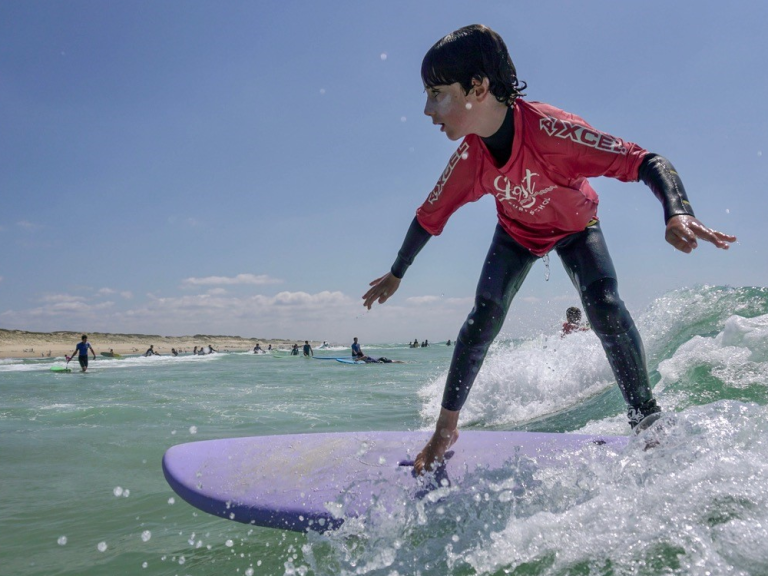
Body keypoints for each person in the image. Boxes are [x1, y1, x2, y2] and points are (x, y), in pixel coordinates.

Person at [362, 24, 736, 475]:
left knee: (604, 305)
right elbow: (428, 217)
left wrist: (677, 211)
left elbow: (645, 161)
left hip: (577, 227)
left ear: (477, 88)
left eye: (437, 93)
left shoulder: (555, 132)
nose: (427, 109)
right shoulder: (470, 159)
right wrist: (398, 272)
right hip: (517, 233)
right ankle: (446, 429)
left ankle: (647, 421)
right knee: (484, 313)